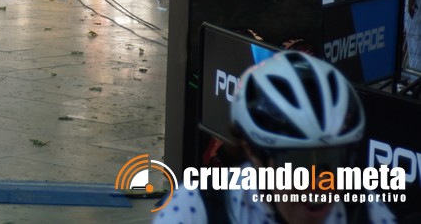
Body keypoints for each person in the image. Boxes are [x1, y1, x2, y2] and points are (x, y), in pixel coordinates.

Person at [154, 50, 395, 223]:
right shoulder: (194, 209)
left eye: (333, 161)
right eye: (298, 166)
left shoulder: (366, 211)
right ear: (253, 152)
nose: (319, 184)